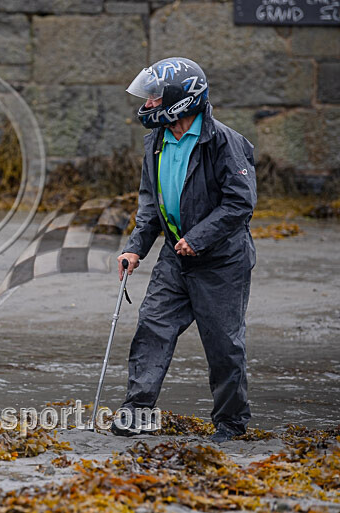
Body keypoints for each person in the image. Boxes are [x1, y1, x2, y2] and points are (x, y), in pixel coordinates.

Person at [113, 57, 256, 443]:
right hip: (176, 257)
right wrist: (135, 248)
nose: (150, 103)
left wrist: (199, 238)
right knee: (151, 328)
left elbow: (240, 203)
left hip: (222, 260)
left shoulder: (226, 142)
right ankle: (136, 413)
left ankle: (230, 425)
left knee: (224, 345)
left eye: (157, 97)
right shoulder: (155, 142)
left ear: (182, 99)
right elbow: (150, 203)